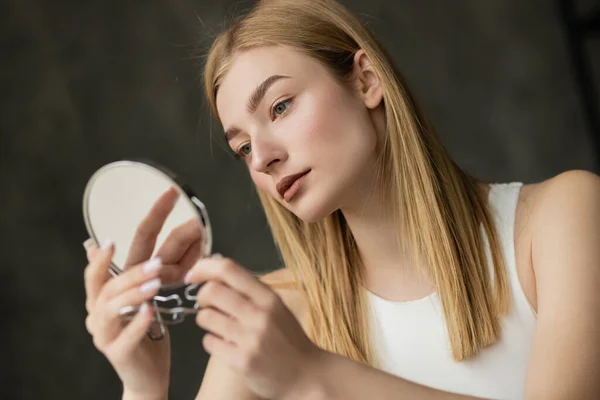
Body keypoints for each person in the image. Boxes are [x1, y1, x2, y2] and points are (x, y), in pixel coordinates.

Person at [82, 0, 600, 399]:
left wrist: (315, 375)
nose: (260, 157)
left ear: (367, 80)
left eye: (280, 106)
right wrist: (142, 387)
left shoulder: (560, 221)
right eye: (241, 147)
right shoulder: (278, 314)